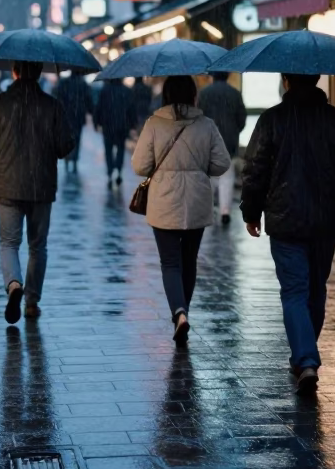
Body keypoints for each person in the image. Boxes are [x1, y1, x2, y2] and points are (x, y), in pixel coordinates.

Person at [240, 73, 335, 395]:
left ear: (286, 81)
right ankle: (305, 356)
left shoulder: (273, 119)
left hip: (285, 220)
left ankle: (306, 358)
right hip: (326, 220)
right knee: (315, 289)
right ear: (316, 81)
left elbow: (256, 168)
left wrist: (251, 211)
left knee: (294, 291)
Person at [0, 60, 75, 323]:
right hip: (41, 186)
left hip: (8, 184)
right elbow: (65, 146)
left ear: (14, 72)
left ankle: (14, 284)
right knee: (37, 246)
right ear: (40, 73)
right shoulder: (52, 106)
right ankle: (31, 302)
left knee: (9, 243)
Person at [132, 75, 230, 343]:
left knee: (170, 262)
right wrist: (200, 168)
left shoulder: (154, 123)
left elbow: (140, 166)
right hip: (196, 200)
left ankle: (179, 312)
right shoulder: (206, 125)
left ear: (165, 95)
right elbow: (222, 163)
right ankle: (183, 310)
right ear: (193, 96)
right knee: (189, 261)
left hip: (163, 201)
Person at [198, 72, 247, 225]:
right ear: (227, 76)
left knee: (210, 176)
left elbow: (198, 117)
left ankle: (209, 208)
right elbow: (242, 117)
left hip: (209, 139)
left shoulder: (204, 93)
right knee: (227, 175)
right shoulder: (235, 94)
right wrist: (234, 130)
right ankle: (225, 210)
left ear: (213, 76)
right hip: (229, 140)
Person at [94, 78, 137, 187]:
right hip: (122, 126)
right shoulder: (126, 91)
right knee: (120, 149)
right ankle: (118, 169)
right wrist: (132, 124)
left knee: (108, 150)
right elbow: (131, 109)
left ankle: (109, 172)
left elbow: (98, 107)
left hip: (108, 126)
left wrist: (96, 122)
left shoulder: (105, 91)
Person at [54, 71, 94, 171]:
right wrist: (91, 111)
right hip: (78, 117)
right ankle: (74, 160)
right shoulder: (83, 84)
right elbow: (88, 100)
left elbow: (58, 97)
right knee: (77, 139)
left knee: (67, 137)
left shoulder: (64, 82)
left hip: (67, 115)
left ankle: (68, 158)